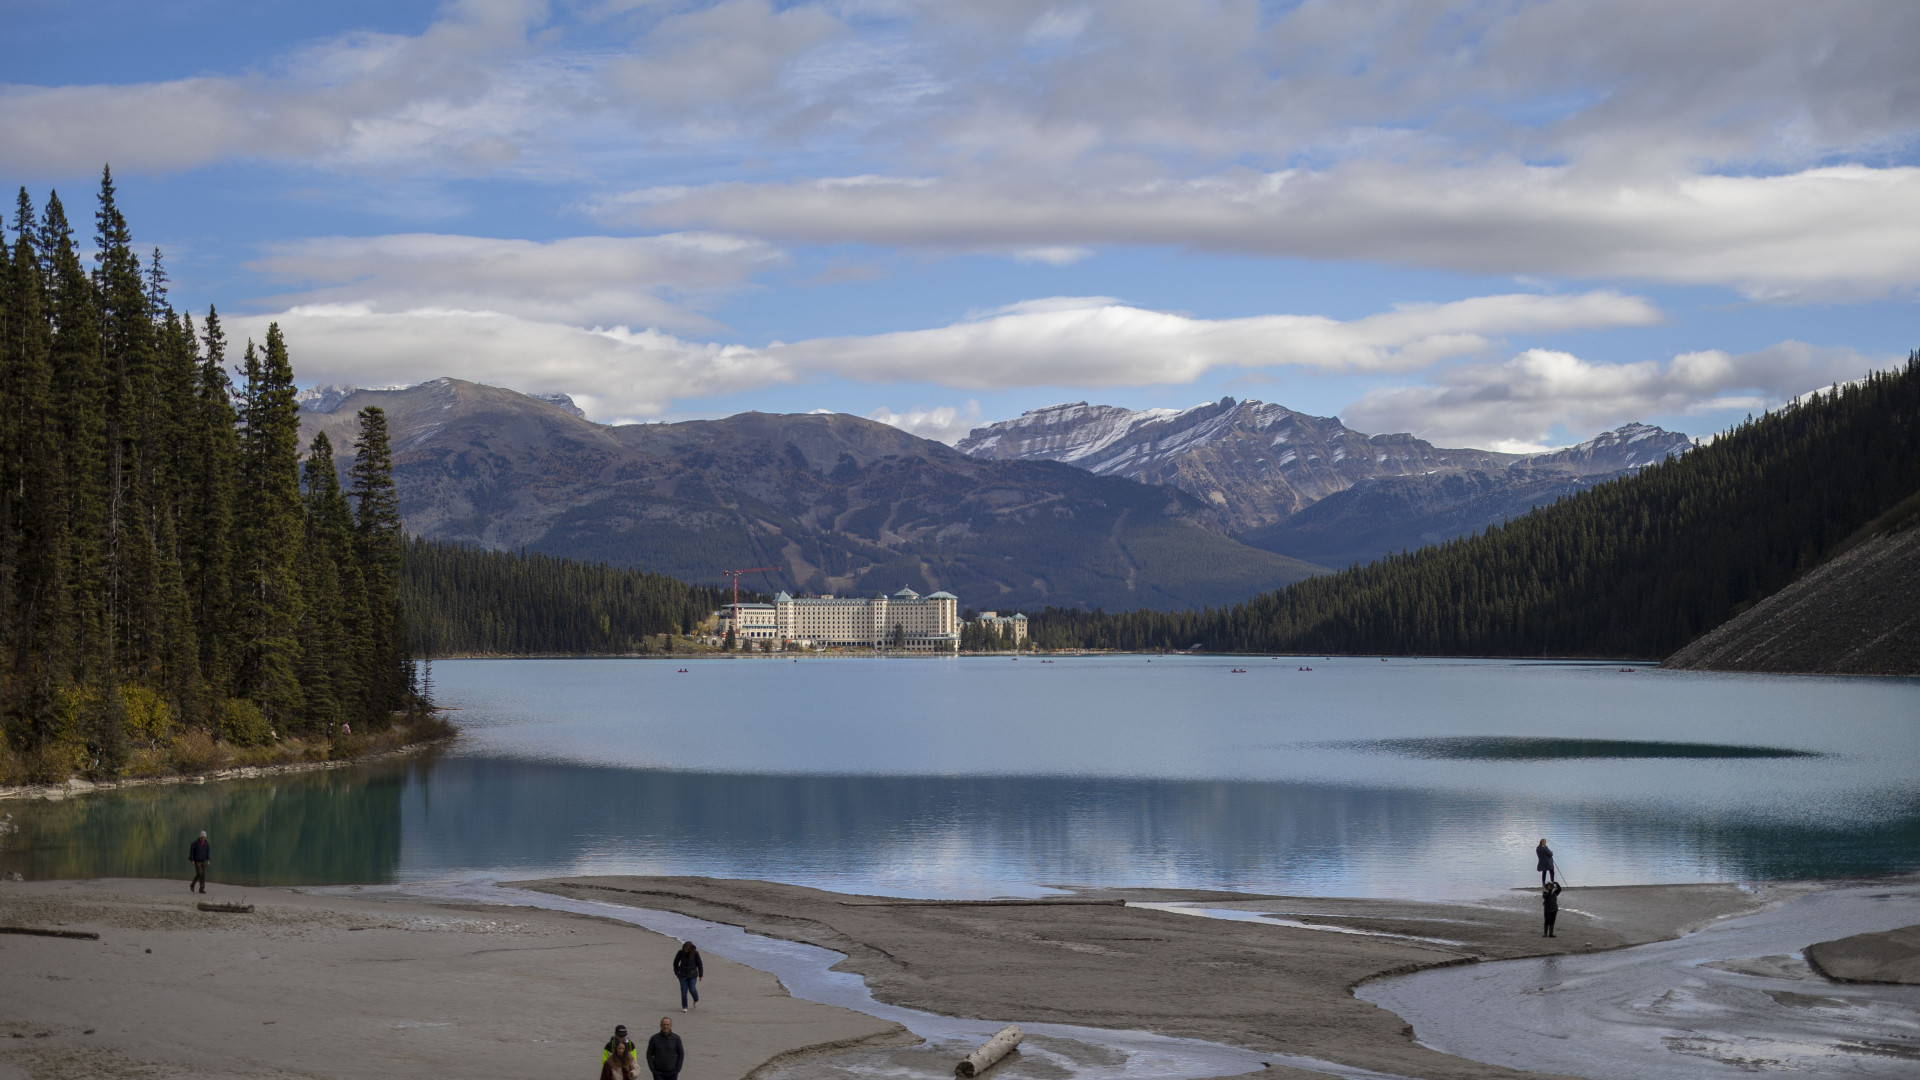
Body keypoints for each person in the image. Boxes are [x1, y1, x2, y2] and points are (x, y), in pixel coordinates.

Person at [673, 941, 704, 1012]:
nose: (685, 951)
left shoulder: (695, 953)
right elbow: (675, 962)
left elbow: (700, 964)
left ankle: (696, 999)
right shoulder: (680, 952)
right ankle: (685, 1007)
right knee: (684, 991)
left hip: (692, 974)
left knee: (692, 988)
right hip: (682, 975)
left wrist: (701, 975)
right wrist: (676, 972)